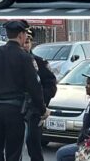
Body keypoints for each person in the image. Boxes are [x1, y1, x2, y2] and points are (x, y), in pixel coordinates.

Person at [0, 20, 49, 161]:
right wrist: (42, 110)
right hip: (15, 112)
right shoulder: (24, 58)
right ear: (21, 35)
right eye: (25, 34)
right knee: (13, 154)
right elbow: (34, 88)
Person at [23, 30, 57, 161]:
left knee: (33, 143)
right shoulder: (12, 62)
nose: (25, 45)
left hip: (34, 110)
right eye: (23, 42)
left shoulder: (39, 62)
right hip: (15, 109)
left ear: (31, 43)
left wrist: (40, 102)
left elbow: (51, 86)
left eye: (28, 42)